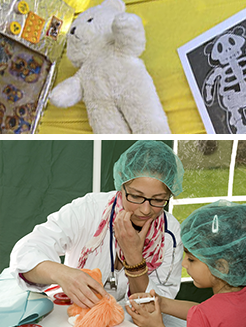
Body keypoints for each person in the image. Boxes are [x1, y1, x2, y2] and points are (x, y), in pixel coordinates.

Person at [9, 140, 185, 326]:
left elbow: (156, 304)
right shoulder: (89, 209)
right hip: (79, 317)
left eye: (158, 200)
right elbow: (27, 250)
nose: (145, 209)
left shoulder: (170, 234)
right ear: (121, 184)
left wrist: (134, 257)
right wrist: (61, 273)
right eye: (135, 196)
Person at [126, 199, 246, 327]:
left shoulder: (211, 314)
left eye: (191, 259)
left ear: (221, 267)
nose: (184, 264)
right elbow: (203, 312)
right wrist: (162, 303)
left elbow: (207, 314)